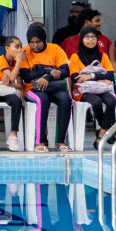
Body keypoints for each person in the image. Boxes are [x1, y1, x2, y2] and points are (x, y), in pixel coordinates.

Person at [20, 23, 72, 153]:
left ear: (44, 40)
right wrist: (49, 70)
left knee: (66, 99)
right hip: (32, 88)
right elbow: (27, 76)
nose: (35, 45)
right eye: (31, 42)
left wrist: (47, 77)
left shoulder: (55, 49)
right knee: (42, 100)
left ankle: (61, 141)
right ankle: (40, 141)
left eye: (38, 42)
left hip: (53, 87)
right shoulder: (25, 51)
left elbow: (65, 70)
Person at [69, 28, 116, 145]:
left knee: (111, 101)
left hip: (101, 88)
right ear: (81, 39)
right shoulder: (75, 57)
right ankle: (106, 131)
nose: (90, 40)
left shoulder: (103, 56)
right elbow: (76, 77)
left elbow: (110, 75)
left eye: (93, 37)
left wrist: (90, 76)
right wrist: (101, 77)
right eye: (87, 37)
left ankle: (101, 133)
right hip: (84, 90)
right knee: (95, 102)